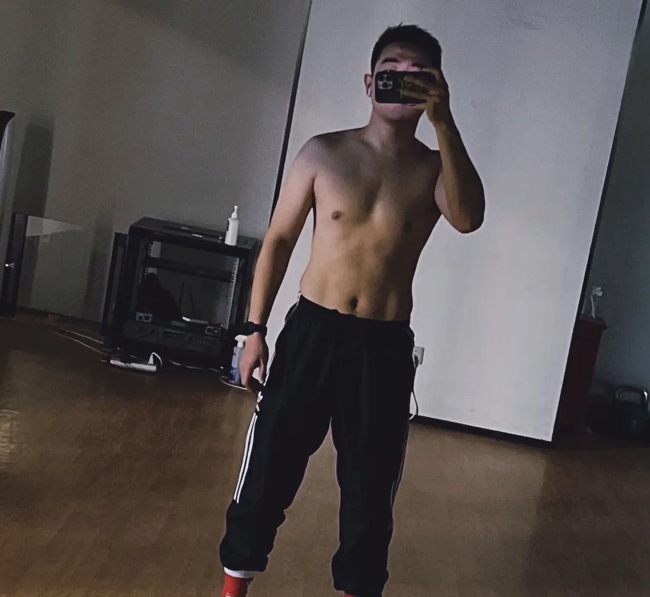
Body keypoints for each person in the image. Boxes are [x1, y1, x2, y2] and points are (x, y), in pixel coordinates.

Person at [219, 24, 485, 597]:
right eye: (391, 71)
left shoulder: (434, 169)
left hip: (382, 349)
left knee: (369, 492)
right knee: (267, 472)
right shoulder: (324, 153)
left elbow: (468, 219)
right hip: (312, 332)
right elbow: (278, 241)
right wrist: (253, 330)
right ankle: (233, 589)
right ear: (369, 82)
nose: (401, 82)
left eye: (417, 75)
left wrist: (444, 122)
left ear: (436, 85)